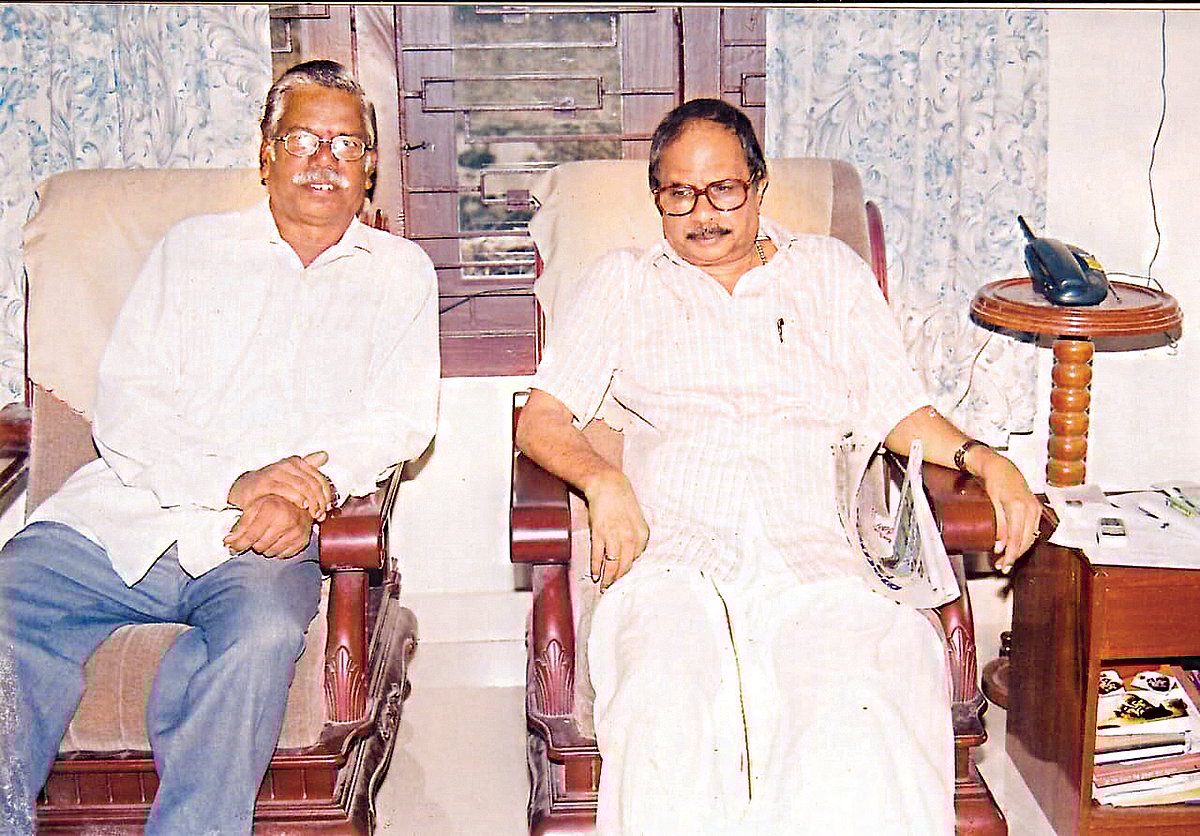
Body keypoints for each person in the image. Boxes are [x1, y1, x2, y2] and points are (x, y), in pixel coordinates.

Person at [515, 98, 1041, 834]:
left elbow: (898, 408)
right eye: (679, 193)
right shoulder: (624, 282)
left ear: (759, 185)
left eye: (724, 189)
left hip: (820, 555)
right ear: (657, 198)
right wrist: (604, 481)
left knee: (861, 708)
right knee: (667, 711)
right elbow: (541, 418)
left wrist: (986, 460)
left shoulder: (827, 271)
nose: (704, 213)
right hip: (675, 558)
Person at [0, 60, 439, 834]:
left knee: (262, 635)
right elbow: (127, 405)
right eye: (302, 139)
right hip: (128, 517)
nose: (324, 159)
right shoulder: (193, 250)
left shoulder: (399, 273)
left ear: (370, 167)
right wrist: (237, 483)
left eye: (346, 143)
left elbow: (399, 420)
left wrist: (310, 494)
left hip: (266, 540)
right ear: (266, 154)